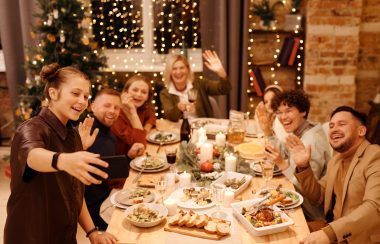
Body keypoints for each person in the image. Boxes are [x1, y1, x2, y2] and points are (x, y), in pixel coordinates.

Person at [4, 63, 117, 244]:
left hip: (64, 235)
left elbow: (74, 193)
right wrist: (62, 160)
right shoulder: (31, 128)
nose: (82, 101)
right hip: (32, 235)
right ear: (53, 93)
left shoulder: (72, 134)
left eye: (86, 96)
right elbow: (33, 156)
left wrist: (92, 232)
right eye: (75, 93)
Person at [293, 106, 380, 244]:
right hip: (334, 233)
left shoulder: (375, 156)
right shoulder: (336, 160)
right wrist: (304, 167)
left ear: (361, 130)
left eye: (342, 124)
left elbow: (375, 207)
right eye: (331, 125)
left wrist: (330, 233)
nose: (333, 129)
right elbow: (318, 197)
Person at [83, 88, 144, 230]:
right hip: (95, 209)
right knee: (142, 216)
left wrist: (128, 156)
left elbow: (108, 166)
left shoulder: (109, 133)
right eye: (107, 105)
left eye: (117, 107)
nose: (112, 111)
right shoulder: (86, 134)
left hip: (109, 194)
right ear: (93, 106)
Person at [265, 89, 332, 220]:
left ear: (303, 111)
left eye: (288, 111)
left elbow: (309, 192)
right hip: (298, 201)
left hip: (310, 213)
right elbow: (285, 152)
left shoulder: (311, 140)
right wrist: (267, 132)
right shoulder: (304, 129)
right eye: (279, 112)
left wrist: (283, 165)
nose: (283, 117)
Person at [160, 50, 231, 121]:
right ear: (169, 72)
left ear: (187, 69)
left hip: (203, 128)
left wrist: (222, 73)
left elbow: (224, 89)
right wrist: (179, 108)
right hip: (180, 129)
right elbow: (170, 116)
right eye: (174, 69)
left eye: (182, 68)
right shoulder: (165, 93)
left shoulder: (199, 84)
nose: (178, 72)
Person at [111, 75, 156, 155]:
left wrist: (146, 129)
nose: (139, 94)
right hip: (123, 160)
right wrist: (133, 113)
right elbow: (140, 145)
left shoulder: (141, 107)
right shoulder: (116, 114)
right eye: (135, 90)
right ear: (126, 91)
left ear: (147, 97)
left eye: (144, 92)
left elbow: (152, 116)